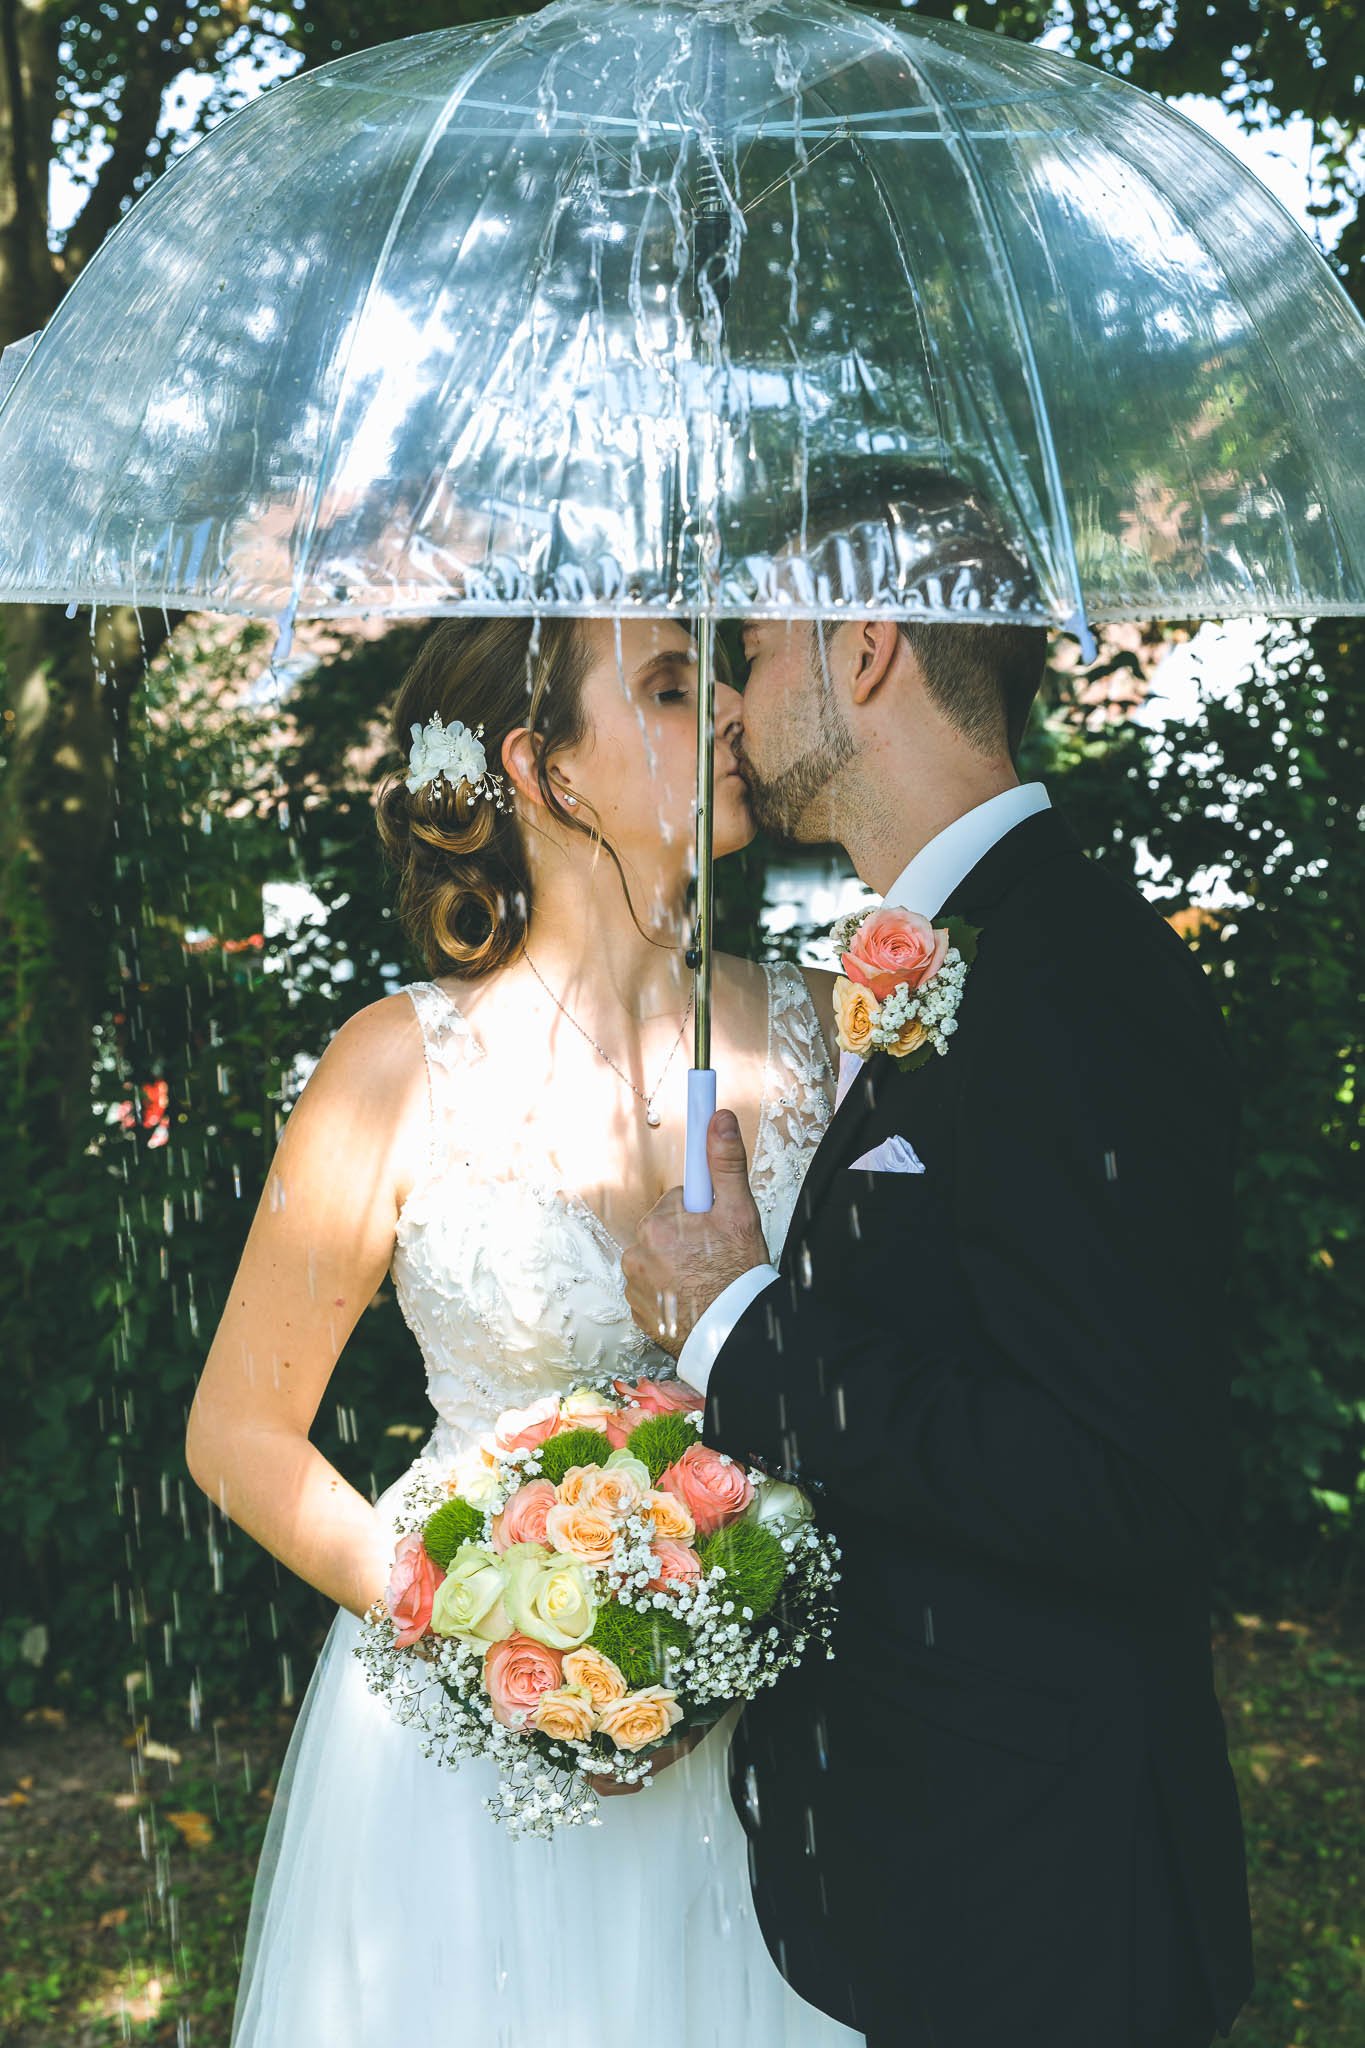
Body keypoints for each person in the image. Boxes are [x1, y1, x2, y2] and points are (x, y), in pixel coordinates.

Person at [622, 472, 1256, 2048]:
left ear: (866, 651)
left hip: (1046, 1908)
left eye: (760, 651)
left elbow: (1119, 1478)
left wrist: (742, 1331)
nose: (739, 701)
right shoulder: (964, 953)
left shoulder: (1070, 982)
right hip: (941, 1883)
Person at [185, 613, 863, 2048]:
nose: (737, 709)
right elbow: (238, 1435)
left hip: (782, 1746)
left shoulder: (825, 1035)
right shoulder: (397, 1065)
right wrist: (483, 1634)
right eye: (676, 687)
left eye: (722, 673)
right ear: (542, 768)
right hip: (467, 1755)